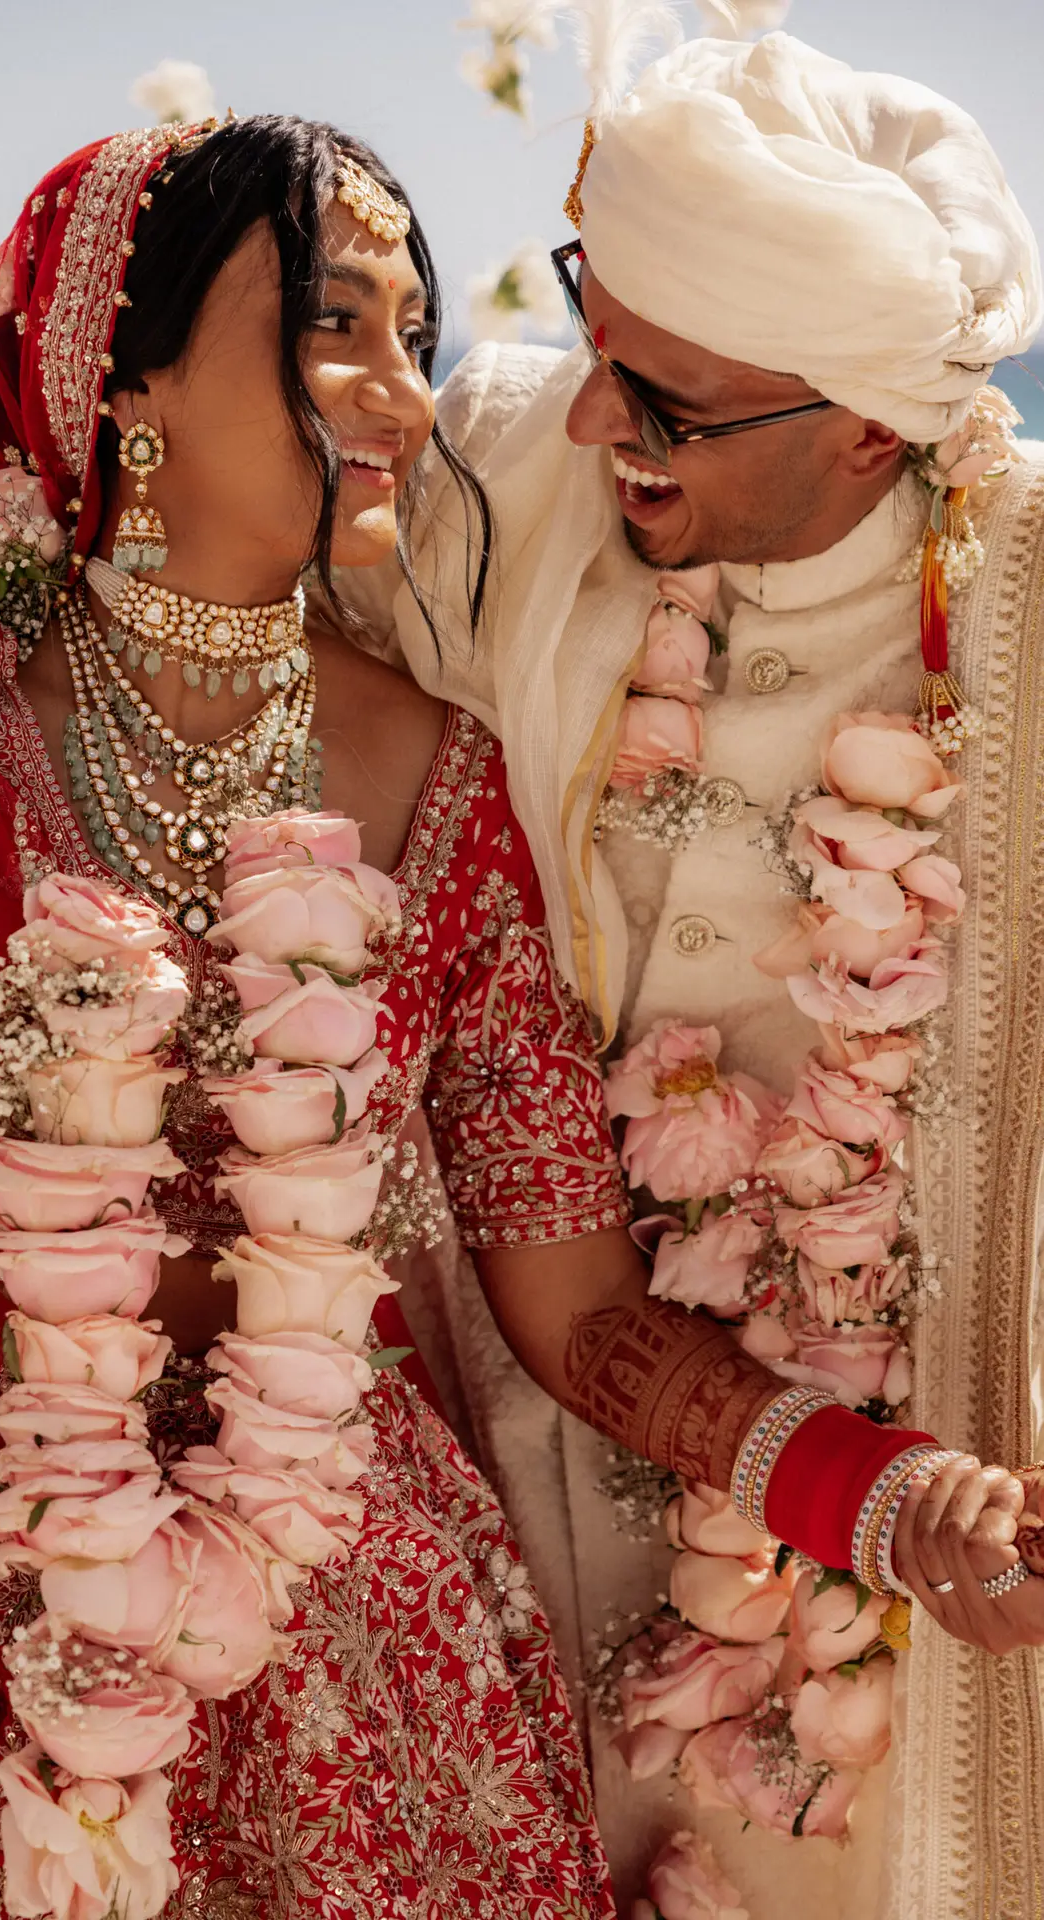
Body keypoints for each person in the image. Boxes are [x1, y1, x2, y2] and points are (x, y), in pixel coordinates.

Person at [0, 110, 976, 1915]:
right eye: (337, 326)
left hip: (348, 1616)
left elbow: (578, 1318)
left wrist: (886, 1498)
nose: (401, 396)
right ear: (128, 370)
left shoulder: (444, 784)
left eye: (415, 339)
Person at [353, 22, 1044, 1920]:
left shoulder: (1033, 619)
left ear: (867, 425)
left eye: (665, 404)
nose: (594, 425)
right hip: (524, 1442)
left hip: (887, 1551)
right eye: (595, 336)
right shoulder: (507, 480)